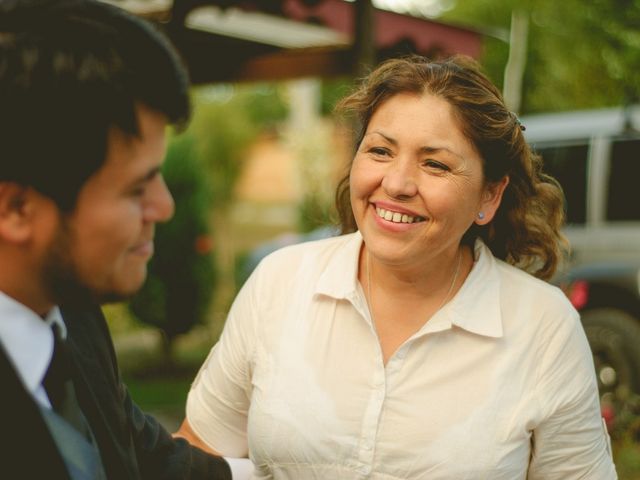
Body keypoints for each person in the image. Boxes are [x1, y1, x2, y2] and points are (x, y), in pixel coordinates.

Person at [176, 55, 617, 478]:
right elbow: (200, 451)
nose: (397, 183)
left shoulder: (542, 327)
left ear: (489, 196)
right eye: (381, 151)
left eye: (435, 164)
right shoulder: (281, 282)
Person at [0, 0, 234, 478]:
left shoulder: (73, 317)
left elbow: (138, 454)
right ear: (16, 209)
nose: (164, 207)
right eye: (136, 188)